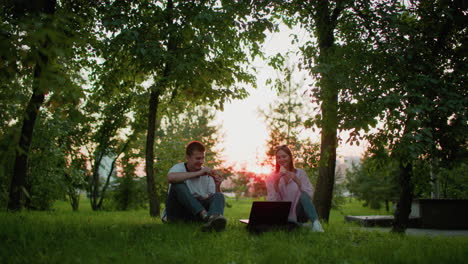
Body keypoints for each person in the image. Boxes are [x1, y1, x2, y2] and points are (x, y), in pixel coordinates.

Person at [163, 141, 227, 232]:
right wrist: (199, 173)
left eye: (202, 158)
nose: (201, 162)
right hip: (178, 213)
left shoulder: (207, 174)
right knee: (177, 185)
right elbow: (170, 178)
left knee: (219, 195)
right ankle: (205, 216)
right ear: (188, 158)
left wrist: (217, 186)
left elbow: (213, 198)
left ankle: (214, 220)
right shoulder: (179, 168)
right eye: (198, 158)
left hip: (195, 215)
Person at [265, 145, 324, 232]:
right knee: (284, 227)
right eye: (278, 157)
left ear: (290, 157)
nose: (281, 160)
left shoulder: (301, 173)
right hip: (282, 213)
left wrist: (296, 180)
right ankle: (302, 226)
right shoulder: (271, 177)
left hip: (299, 212)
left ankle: (316, 223)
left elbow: (309, 195)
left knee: (303, 195)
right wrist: (276, 183)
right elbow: (272, 201)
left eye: (284, 156)